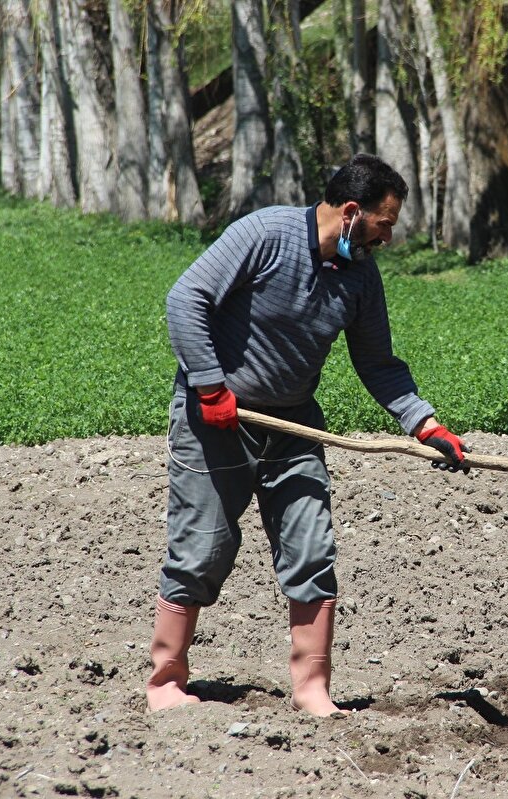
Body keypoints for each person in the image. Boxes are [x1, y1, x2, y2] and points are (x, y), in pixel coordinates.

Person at [146, 154, 469, 717]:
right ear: (350, 212)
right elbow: (185, 299)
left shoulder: (361, 277)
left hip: (293, 424)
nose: (387, 238)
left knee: (311, 549)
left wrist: (425, 422)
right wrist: (210, 386)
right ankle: (167, 678)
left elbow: (379, 363)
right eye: (384, 224)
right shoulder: (264, 234)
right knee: (202, 549)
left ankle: (311, 688)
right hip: (215, 419)